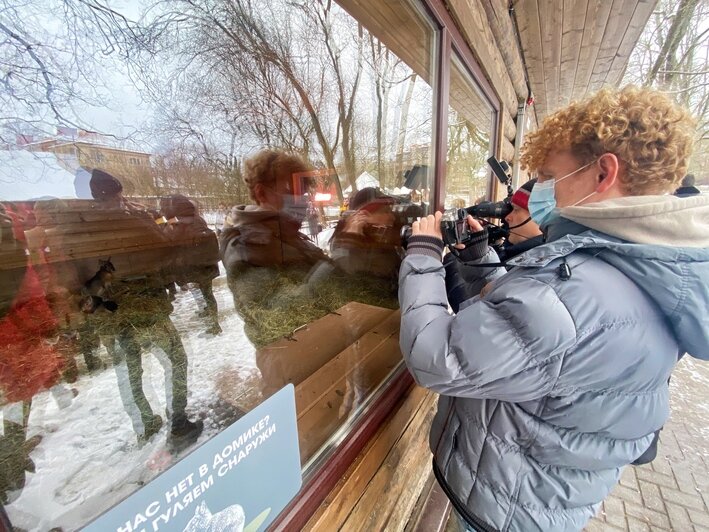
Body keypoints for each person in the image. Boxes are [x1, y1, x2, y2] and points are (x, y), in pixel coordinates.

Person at [398, 86, 709, 531]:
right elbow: (541, 336)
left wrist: (423, 256)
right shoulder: (649, 264)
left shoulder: (578, 289)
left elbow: (435, 356)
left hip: (509, 506)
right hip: (553, 493)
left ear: (603, 172)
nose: (544, 189)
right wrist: (480, 261)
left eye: (551, 175)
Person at [443, 178, 543, 312]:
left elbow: (474, 314)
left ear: (541, 219)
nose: (508, 217)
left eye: (517, 210)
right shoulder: (524, 257)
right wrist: (476, 253)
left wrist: (435, 256)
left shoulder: (535, 272)